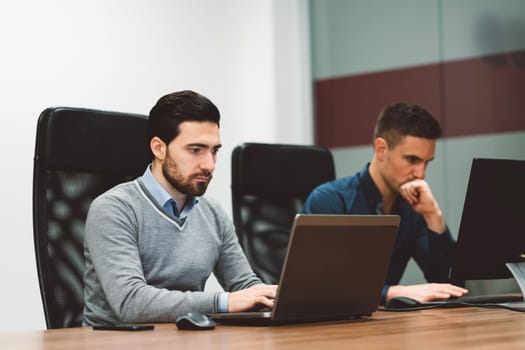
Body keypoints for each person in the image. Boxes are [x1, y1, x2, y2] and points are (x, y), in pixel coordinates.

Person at [83, 90, 277, 326]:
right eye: (196, 150)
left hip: (185, 337)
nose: (209, 165)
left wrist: (276, 297)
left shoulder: (212, 212)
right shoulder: (113, 209)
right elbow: (131, 303)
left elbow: (244, 285)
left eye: (214, 151)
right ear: (159, 148)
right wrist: (224, 302)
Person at [302, 102, 468, 303]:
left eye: (426, 163)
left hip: (384, 326)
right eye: (412, 160)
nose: (421, 174)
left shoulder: (413, 207)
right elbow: (318, 287)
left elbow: (451, 286)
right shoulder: (329, 201)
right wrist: (392, 293)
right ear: (381, 149)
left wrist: (434, 215)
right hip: (328, 330)